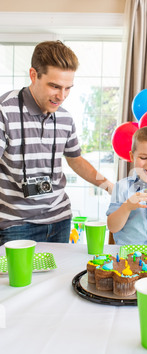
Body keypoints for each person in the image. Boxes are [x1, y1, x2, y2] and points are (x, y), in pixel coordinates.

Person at [0, 41, 113, 246]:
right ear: (34, 75)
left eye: (68, 88)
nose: (61, 96)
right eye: (54, 86)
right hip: (16, 225)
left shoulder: (65, 118)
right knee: (18, 279)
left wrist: (108, 185)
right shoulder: (5, 111)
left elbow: (76, 160)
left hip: (59, 220)